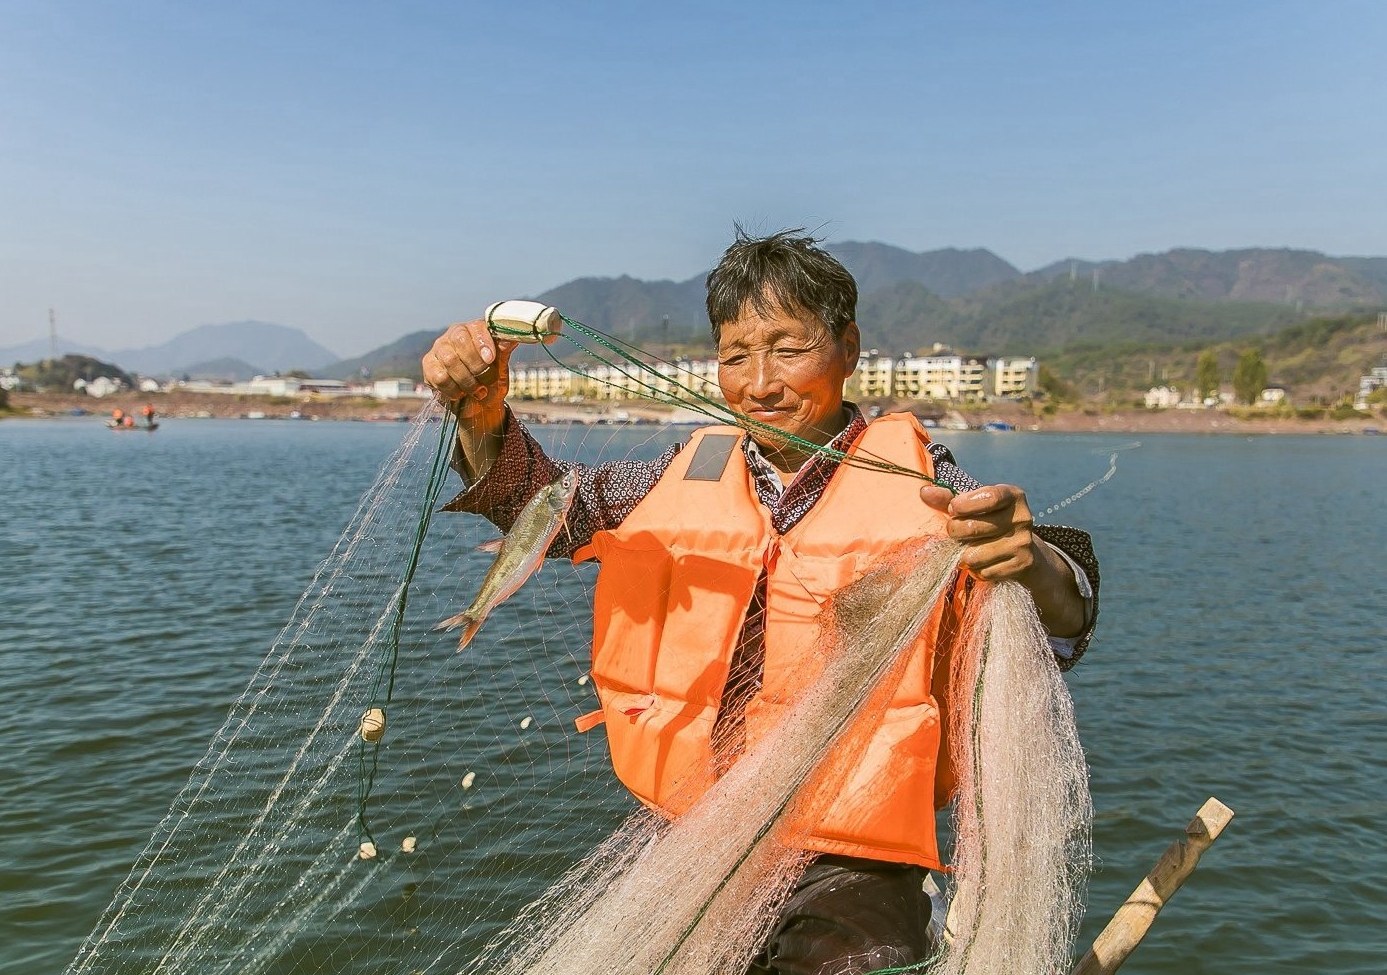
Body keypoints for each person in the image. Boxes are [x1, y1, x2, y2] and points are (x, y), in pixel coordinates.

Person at [422, 229, 1099, 974]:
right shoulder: (681, 470)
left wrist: (1031, 559)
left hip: (850, 853)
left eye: (787, 348)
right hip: (694, 833)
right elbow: (543, 511)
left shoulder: (928, 480)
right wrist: (480, 417)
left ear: (848, 347)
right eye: (735, 354)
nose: (758, 382)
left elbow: (1065, 611)